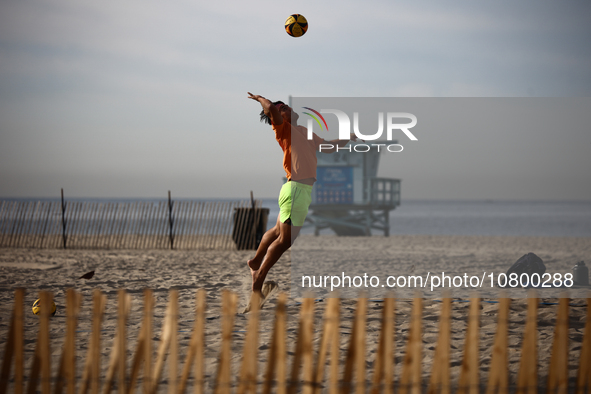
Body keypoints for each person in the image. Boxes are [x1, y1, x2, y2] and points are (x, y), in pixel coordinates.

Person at [246, 92, 358, 293]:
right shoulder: (283, 129)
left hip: (299, 190)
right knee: (285, 240)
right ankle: (258, 280)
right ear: (280, 115)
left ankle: (255, 262)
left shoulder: (304, 131)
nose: (290, 108)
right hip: (296, 188)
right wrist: (260, 98)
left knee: (276, 232)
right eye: (285, 108)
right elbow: (271, 108)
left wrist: (348, 138)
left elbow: (327, 147)